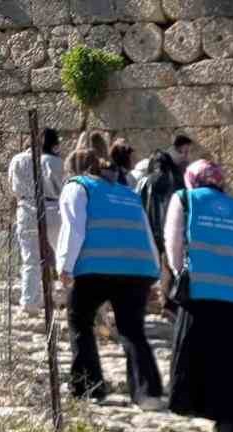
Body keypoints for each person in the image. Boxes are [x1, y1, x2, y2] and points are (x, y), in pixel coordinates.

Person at [164, 159, 233, 432]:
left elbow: (173, 241)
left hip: (202, 290)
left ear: (192, 179)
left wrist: (179, 274)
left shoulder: (184, 198)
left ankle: (207, 411)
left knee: (204, 356)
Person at [57, 141, 163, 405]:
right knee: (132, 330)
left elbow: (74, 229)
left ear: (73, 170)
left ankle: (89, 387)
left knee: (80, 322)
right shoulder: (128, 193)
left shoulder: (77, 187)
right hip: (137, 270)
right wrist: (155, 273)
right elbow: (147, 234)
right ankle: (147, 393)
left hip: (95, 269)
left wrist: (65, 266)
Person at [7, 127, 64, 311]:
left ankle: (30, 301)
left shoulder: (17, 160)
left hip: (26, 209)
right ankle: (63, 297)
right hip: (53, 209)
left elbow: (12, 188)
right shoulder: (54, 162)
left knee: (31, 259)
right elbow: (62, 187)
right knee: (61, 256)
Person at [137, 133, 193, 305]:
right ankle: (168, 300)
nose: (186, 157)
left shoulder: (147, 180)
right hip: (167, 227)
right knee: (169, 264)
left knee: (156, 264)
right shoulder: (174, 177)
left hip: (151, 228)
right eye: (184, 152)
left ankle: (155, 298)